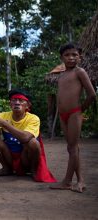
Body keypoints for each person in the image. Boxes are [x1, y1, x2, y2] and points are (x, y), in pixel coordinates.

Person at [50, 43, 96, 193]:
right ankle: (80, 180)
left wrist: (80, 110)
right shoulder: (62, 75)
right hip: (63, 115)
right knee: (72, 148)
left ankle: (67, 181)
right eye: (67, 55)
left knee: (72, 147)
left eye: (74, 55)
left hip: (74, 113)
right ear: (61, 57)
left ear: (80, 57)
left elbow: (92, 95)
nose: (71, 58)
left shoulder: (80, 72)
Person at [0, 89, 56, 182]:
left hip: (26, 158)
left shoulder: (33, 118)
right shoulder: (3, 116)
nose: (17, 103)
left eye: (21, 100)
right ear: (10, 104)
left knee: (33, 143)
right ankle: (7, 168)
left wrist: (5, 124)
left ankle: (33, 170)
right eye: (14, 100)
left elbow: (25, 138)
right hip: (10, 156)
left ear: (27, 105)